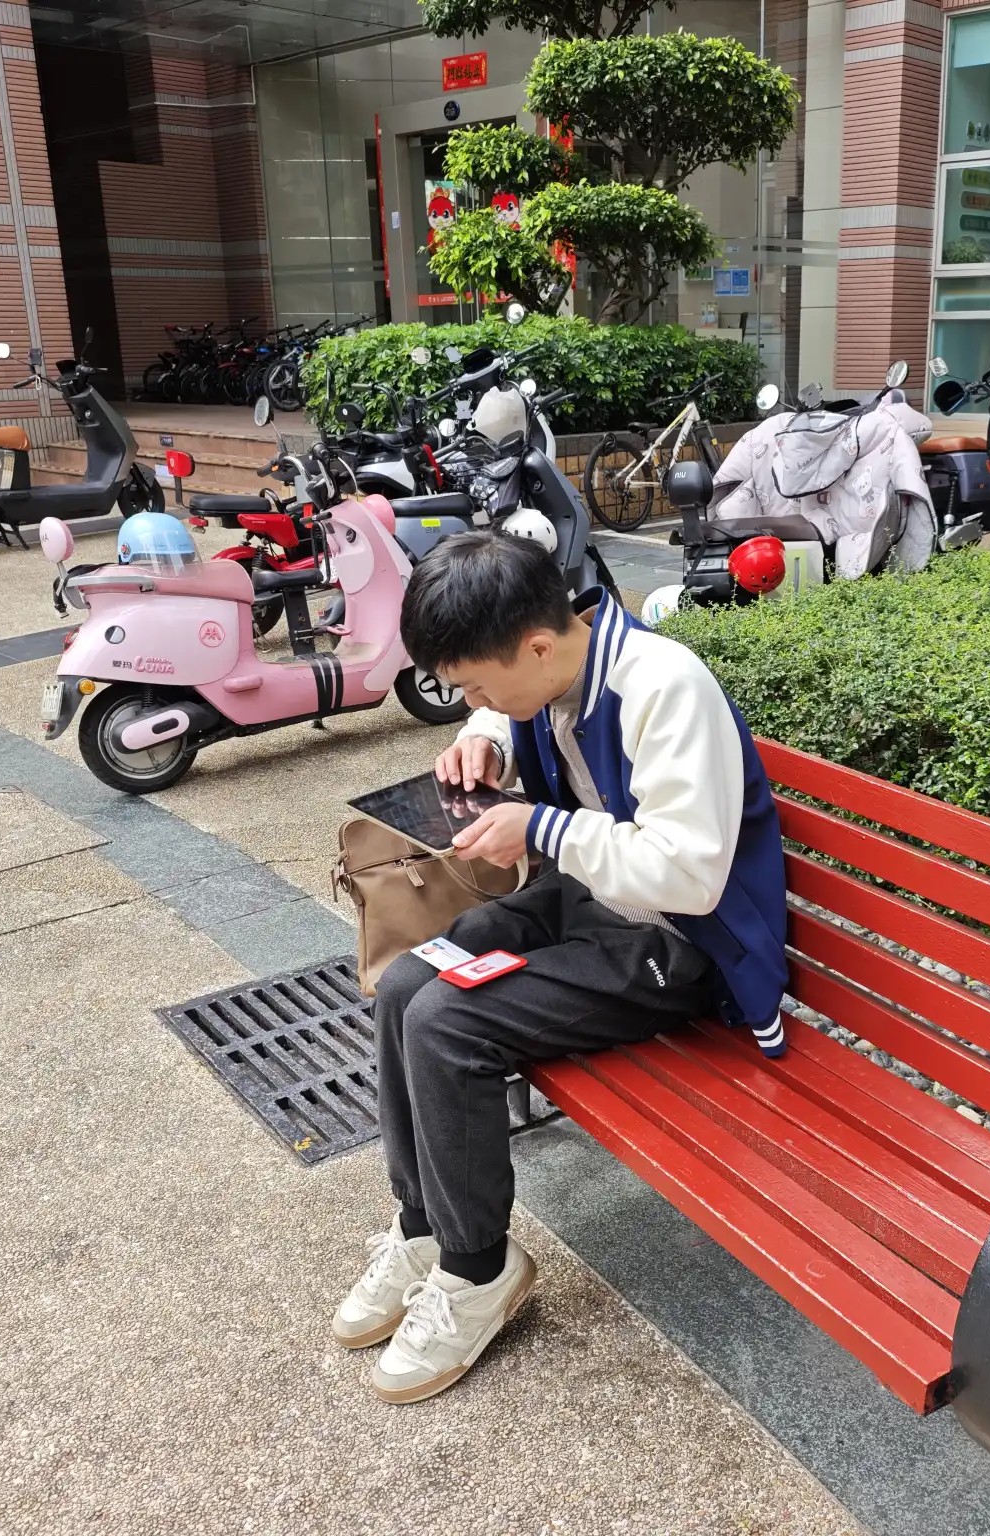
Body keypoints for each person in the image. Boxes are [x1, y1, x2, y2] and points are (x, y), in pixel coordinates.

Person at [334, 533, 788, 1403]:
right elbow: (512, 707)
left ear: (538, 646)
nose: (473, 702)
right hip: (588, 904)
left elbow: (690, 876)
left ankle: (478, 1271)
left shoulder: (665, 687)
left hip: (679, 947)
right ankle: (424, 1228)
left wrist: (540, 827)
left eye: (475, 686)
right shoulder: (557, 664)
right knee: (406, 984)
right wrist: (483, 740)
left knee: (448, 1022)